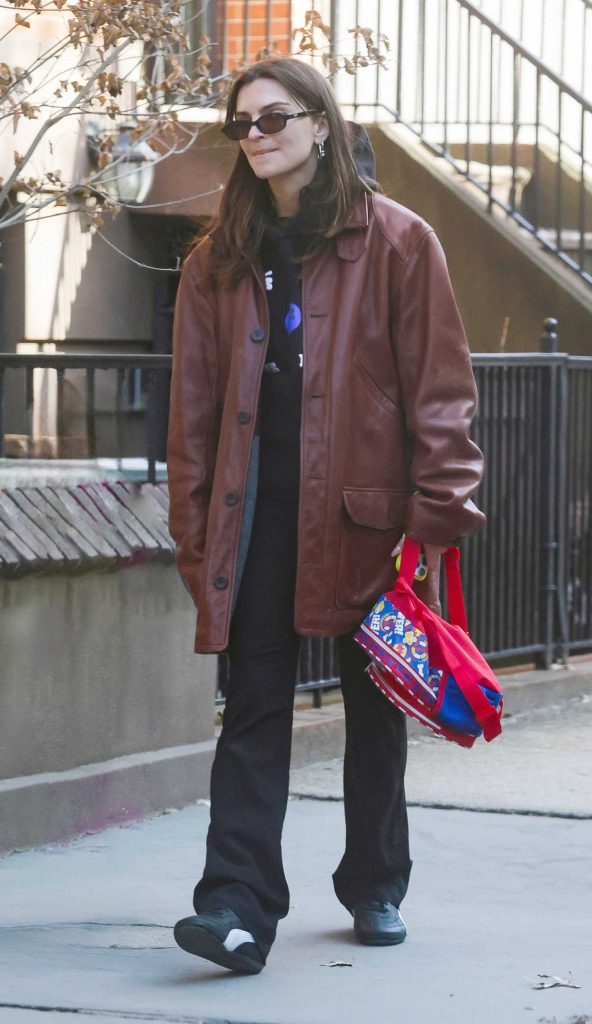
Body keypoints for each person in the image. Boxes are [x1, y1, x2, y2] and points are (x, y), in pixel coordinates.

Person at [166, 56, 485, 975]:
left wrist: (436, 520)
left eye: (272, 118)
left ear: (319, 121)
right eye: (241, 126)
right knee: (253, 710)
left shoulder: (399, 241)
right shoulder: (217, 258)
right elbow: (190, 414)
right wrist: (197, 536)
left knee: (374, 707)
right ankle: (235, 904)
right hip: (258, 518)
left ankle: (375, 884)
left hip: (371, 522)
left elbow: (441, 394)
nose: (256, 136)